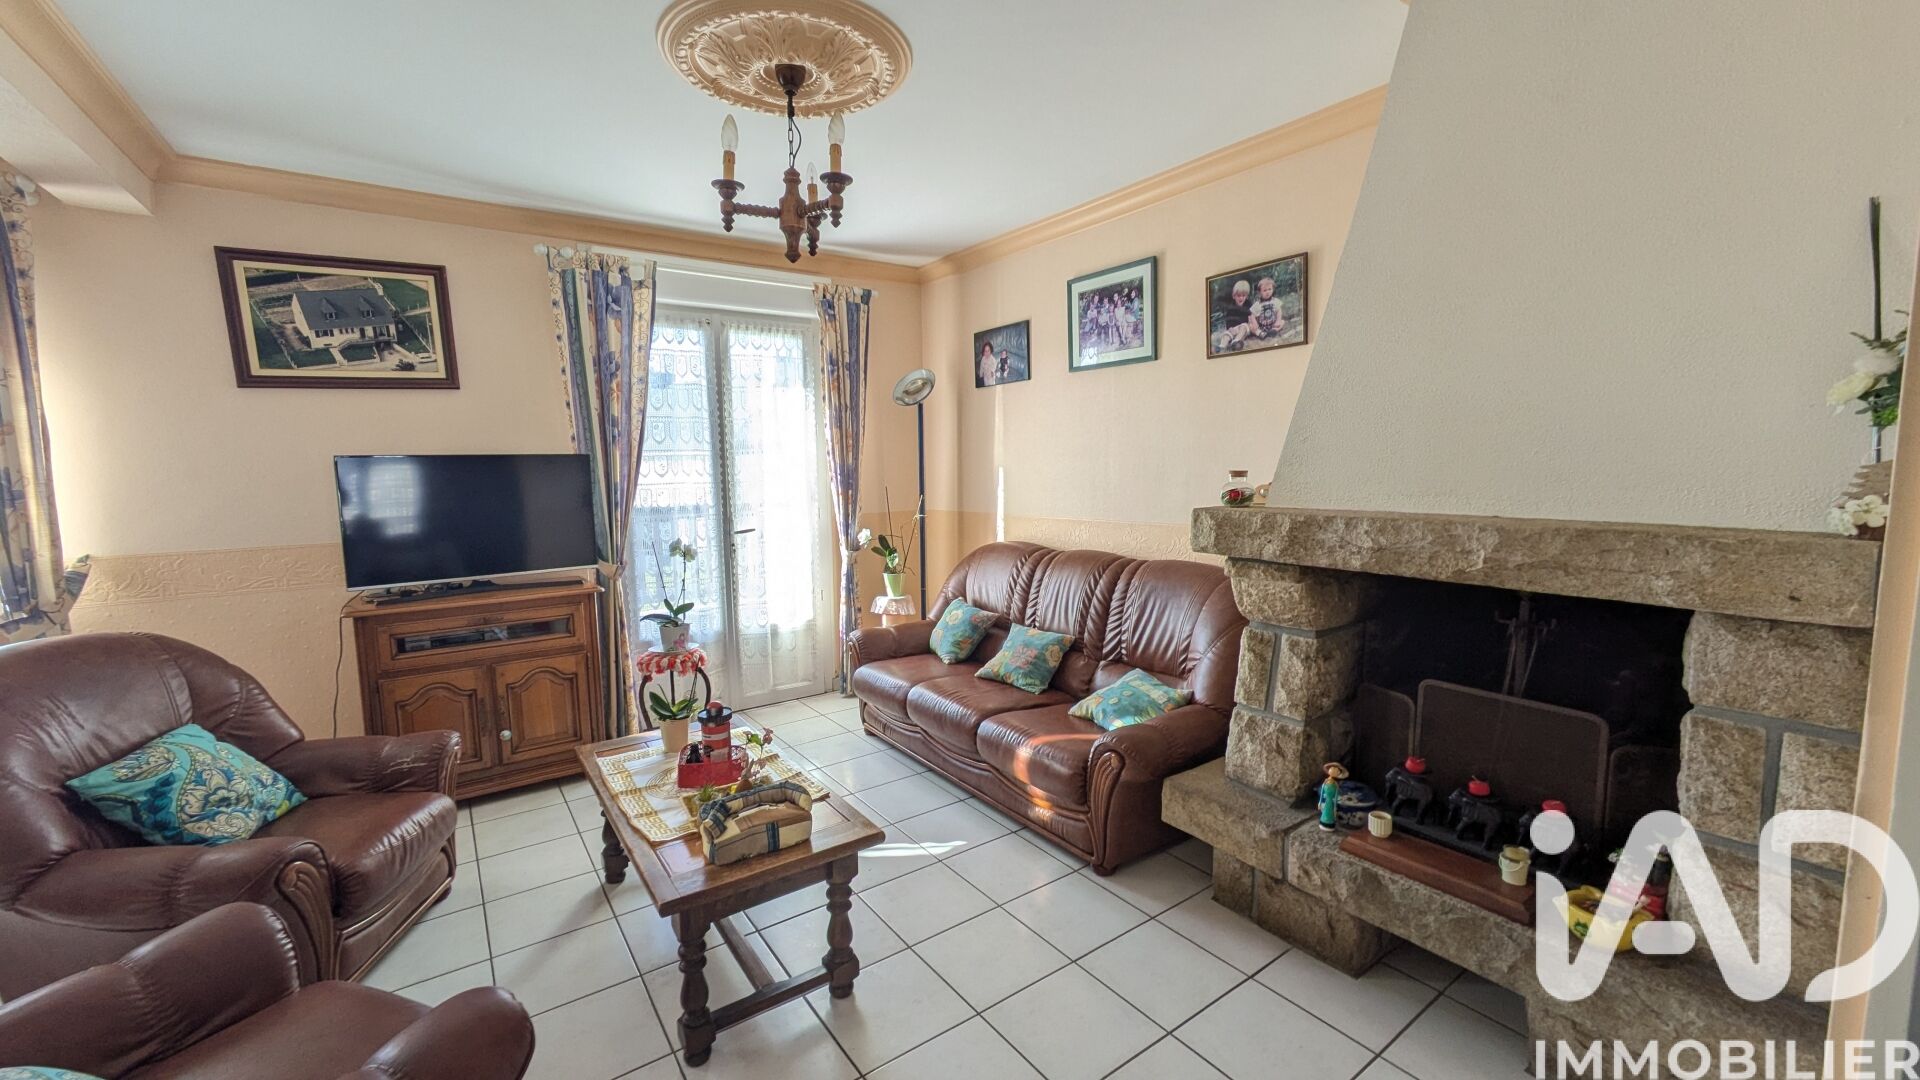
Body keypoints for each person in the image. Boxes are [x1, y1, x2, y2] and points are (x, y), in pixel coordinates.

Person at [1212, 279, 1254, 352]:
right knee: (1226, 334)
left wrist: (1251, 323)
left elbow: (1251, 316)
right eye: (1238, 296)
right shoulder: (1231, 307)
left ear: (1246, 296)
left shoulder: (1248, 304)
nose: (1241, 298)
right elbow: (1228, 320)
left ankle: (1235, 342)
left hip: (1245, 327)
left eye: (1243, 296)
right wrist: (1230, 328)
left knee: (1243, 327)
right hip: (1234, 328)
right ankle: (1221, 346)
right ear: (1234, 296)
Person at [1247, 275, 1289, 341]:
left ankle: (1274, 331)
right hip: (1261, 326)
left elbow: (1279, 311)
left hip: (1273, 324)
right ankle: (1261, 334)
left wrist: (1278, 321)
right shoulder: (1258, 304)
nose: (1268, 292)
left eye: (1270, 289)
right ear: (1260, 292)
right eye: (1265, 290)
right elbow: (1252, 315)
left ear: (1273, 289)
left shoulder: (1275, 301)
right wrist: (1255, 323)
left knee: (1282, 322)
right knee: (1251, 326)